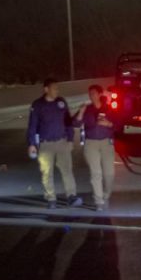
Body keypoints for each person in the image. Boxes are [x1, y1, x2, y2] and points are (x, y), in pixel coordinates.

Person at [27, 77, 80, 209]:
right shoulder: (37, 105)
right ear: (46, 89)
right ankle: (51, 198)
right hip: (46, 144)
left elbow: (68, 122)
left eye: (58, 88)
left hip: (62, 142)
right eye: (54, 88)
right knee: (47, 172)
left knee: (67, 170)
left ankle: (71, 196)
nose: (57, 90)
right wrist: (32, 144)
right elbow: (32, 126)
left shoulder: (61, 102)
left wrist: (70, 139)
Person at [75, 85, 116, 211]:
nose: (91, 96)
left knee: (109, 173)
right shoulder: (87, 109)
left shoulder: (109, 108)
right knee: (96, 173)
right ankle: (98, 201)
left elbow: (118, 125)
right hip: (90, 143)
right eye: (90, 94)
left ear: (99, 94)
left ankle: (106, 195)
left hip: (106, 143)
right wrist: (80, 113)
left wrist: (108, 123)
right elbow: (75, 124)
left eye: (93, 93)